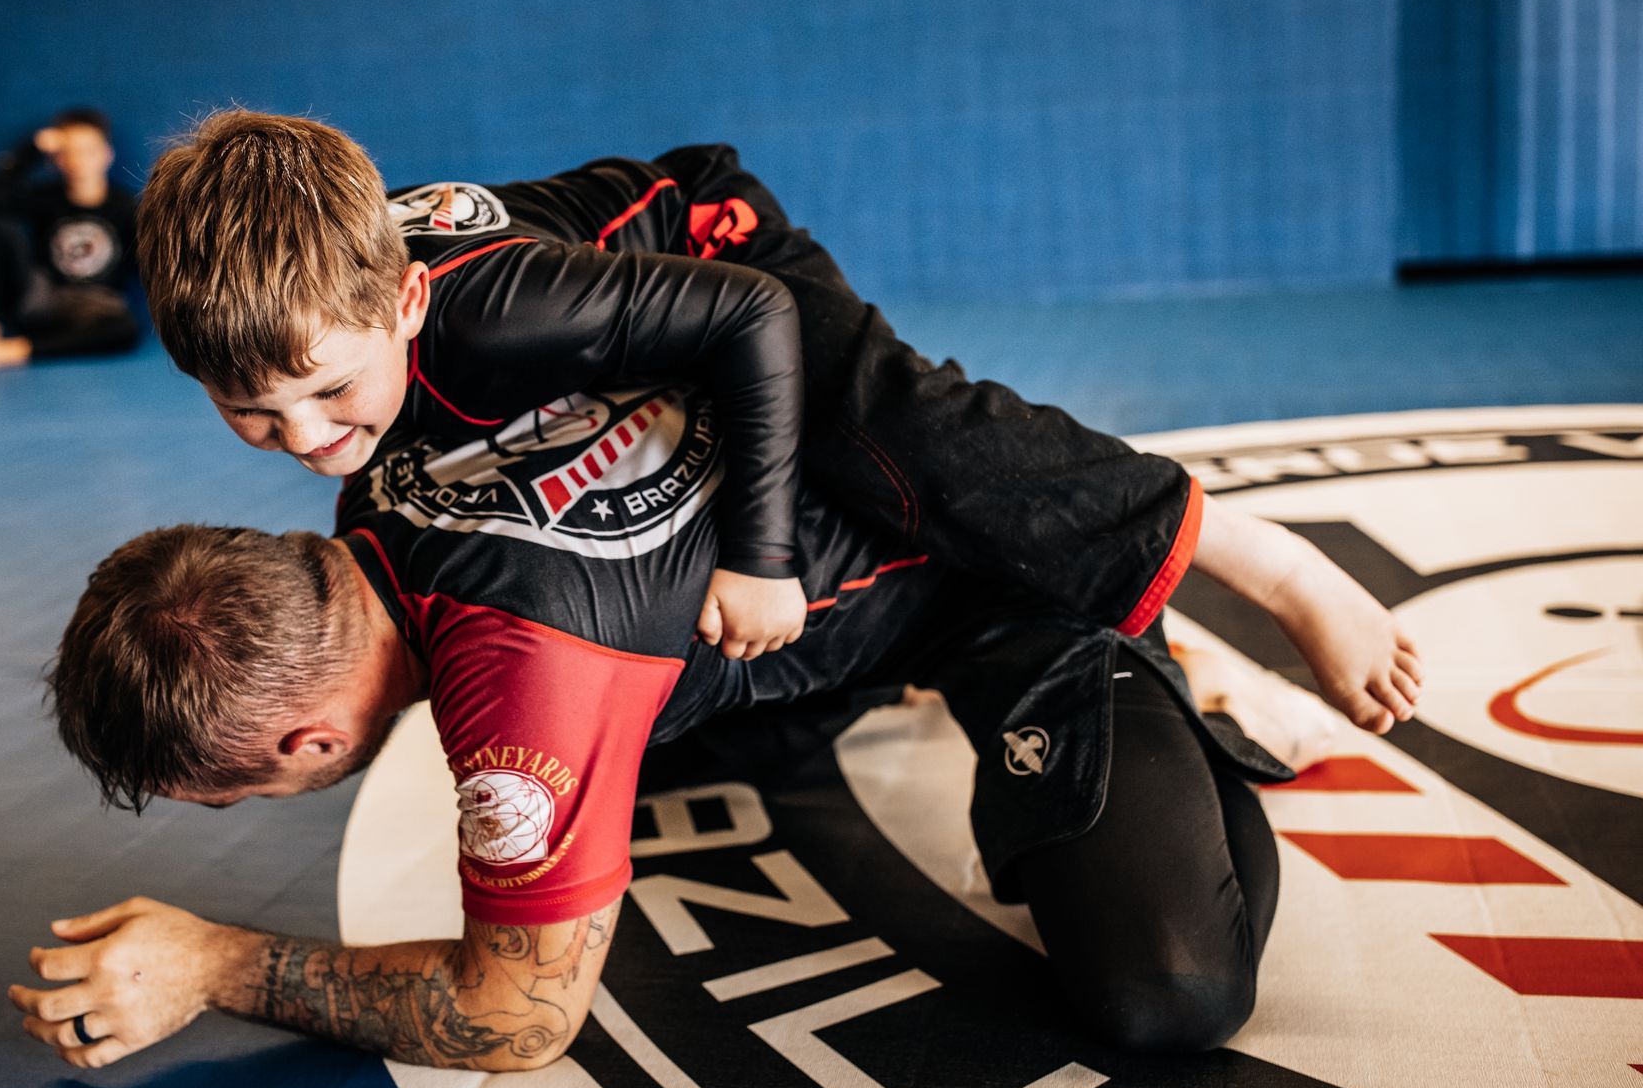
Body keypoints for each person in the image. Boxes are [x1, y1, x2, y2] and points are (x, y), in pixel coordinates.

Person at [11, 383, 1406, 1072]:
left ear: (310, 745)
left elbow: (516, 1015)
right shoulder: (382, 458)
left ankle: (1150, 649)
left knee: (1170, 994)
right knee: (655, 753)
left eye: (231, 795)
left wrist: (215, 961)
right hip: (801, 607)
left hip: (999, 584)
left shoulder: (523, 692)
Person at [130, 111, 1421, 736]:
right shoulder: (339, 322)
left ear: (408, 303)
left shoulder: (502, 312)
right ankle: (871, 667)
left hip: (716, 252)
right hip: (623, 325)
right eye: (249, 411)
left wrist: (757, 559)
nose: (303, 436)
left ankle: (1268, 564)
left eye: (328, 393)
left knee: (891, 434)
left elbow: (749, 319)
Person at [0, 108, 142, 377]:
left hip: (95, 310)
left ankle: (2, 353)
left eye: (88, 151)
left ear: (106, 154)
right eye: (70, 152)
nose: (79, 161)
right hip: (42, 301)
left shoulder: (126, 207)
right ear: (57, 160)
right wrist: (32, 149)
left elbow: (146, 264)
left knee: (124, 330)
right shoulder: (45, 199)